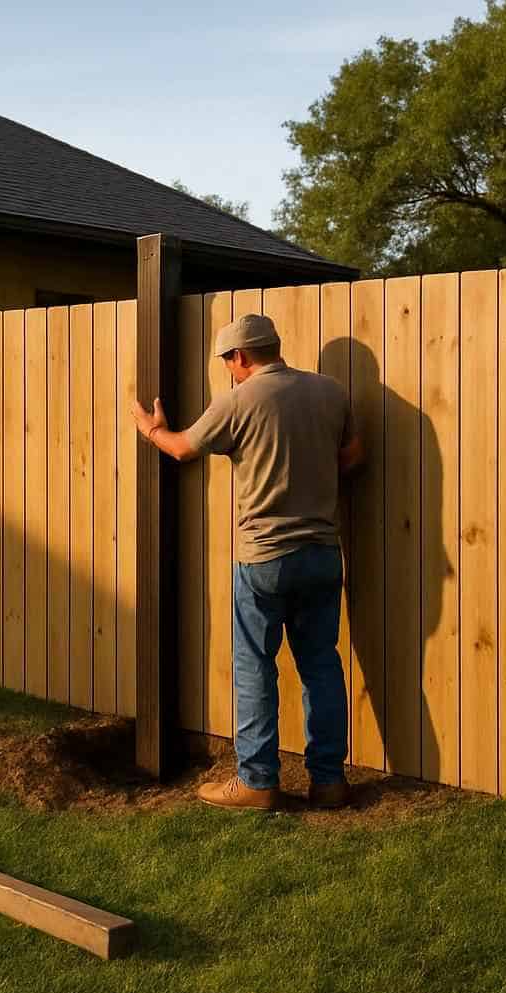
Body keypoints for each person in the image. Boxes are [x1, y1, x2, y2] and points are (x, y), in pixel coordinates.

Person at [130, 313, 364, 811]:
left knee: (255, 666)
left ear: (240, 356)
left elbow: (182, 449)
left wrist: (152, 430)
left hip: (265, 557)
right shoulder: (331, 392)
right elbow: (352, 457)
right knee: (322, 665)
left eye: (227, 361)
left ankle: (258, 782)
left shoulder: (237, 401)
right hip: (323, 553)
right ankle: (329, 783)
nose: (228, 370)